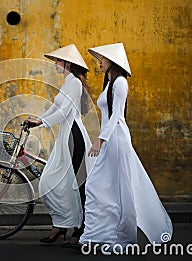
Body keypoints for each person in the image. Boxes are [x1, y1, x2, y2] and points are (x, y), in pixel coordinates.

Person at [79, 43, 173, 250]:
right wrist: (102, 139)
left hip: (116, 140)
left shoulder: (120, 83)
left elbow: (117, 116)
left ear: (112, 60)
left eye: (102, 59)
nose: (99, 63)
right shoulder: (110, 82)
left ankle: (121, 237)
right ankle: (96, 236)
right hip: (109, 139)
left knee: (120, 189)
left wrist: (100, 140)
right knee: (97, 186)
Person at [25, 44, 93, 244]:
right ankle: (61, 224)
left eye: (58, 60)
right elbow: (56, 107)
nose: (55, 63)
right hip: (65, 136)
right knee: (51, 181)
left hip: (74, 136)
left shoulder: (74, 83)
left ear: (67, 63)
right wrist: (38, 120)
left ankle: (81, 230)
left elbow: (64, 113)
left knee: (78, 183)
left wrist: (41, 122)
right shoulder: (67, 82)